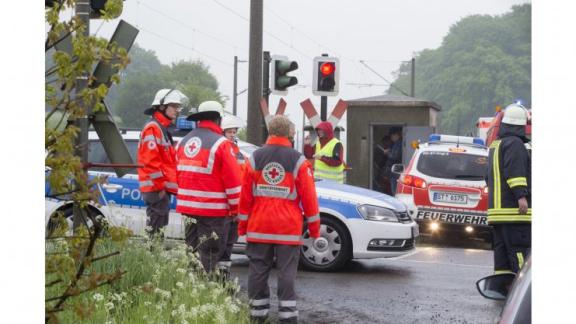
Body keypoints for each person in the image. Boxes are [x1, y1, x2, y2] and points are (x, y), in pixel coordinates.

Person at [238, 115, 321, 324]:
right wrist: (314, 229)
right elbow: (309, 198)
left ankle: (257, 315)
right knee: (286, 272)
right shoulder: (299, 161)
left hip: (259, 226)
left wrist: (242, 225)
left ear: (270, 132)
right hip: (287, 228)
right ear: (290, 134)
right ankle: (287, 317)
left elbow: (245, 196)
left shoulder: (255, 158)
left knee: (258, 270)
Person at [175, 101, 242, 275]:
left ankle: (188, 284)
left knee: (191, 248)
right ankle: (206, 286)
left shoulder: (183, 141)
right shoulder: (221, 143)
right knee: (210, 252)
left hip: (188, 207)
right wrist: (236, 210)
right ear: (218, 119)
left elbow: (177, 174)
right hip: (212, 210)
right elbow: (233, 181)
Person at [486, 103, 531, 274]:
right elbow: (515, 173)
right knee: (520, 253)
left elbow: (487, 177)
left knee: (502, 256)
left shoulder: (496, 146)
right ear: (522, 125)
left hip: (497, 213)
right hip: (514, 213)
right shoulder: (515, 144)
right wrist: (521, 196)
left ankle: (501, 288)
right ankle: (522, 291)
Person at [138, 89, 187, 239]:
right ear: (161, 107)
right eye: (173, 106)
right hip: (156, 189)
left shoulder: (161, 128)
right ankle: (149, 260)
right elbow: (151, 163)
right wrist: (160, 187)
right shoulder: (153, 128)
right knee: (155, 231)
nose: (177, 111)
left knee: (158, 229)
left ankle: (152, 257)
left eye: (178, 107)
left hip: (160, 189)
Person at [219, 114, 247, 278]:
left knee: (229, 243)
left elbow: (243, 173)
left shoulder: (237, 151)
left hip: (236, 203)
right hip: (226, 205)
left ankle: (224, 274)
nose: (232, 134)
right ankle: (218, 276)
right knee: (221, 243)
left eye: (234, 131)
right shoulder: (223, 149)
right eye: (229, 131)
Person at [384, 128, 403, 195]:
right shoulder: (395, 144)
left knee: (395, 191)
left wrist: (388, 153)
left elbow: (394, 156)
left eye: (392, 136)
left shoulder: (398, 144)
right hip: (395, 172)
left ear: (396, 135)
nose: (391, 138)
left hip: (395, 172)